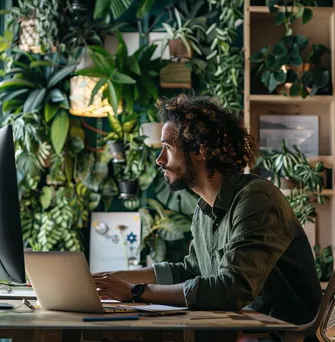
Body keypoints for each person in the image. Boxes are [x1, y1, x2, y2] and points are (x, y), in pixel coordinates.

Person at [93, 94, 322, 328]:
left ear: (200, 151)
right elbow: (190, 271)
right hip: (243, 332)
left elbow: (231, 289)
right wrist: (105, 280)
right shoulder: (204, 211)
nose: (159, 160)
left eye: (167, 148)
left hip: (283, 336)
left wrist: (137, 291)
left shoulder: (256, 199)